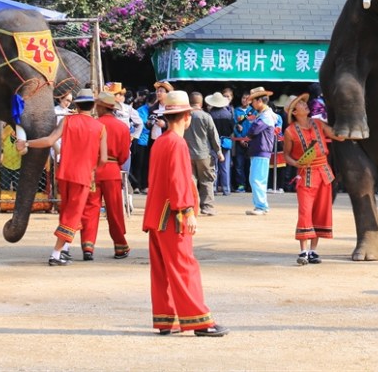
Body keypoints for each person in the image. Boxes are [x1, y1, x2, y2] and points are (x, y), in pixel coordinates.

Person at [142, 90, 228, 337]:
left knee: (162, 270)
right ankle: (199, 321)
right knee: (184, 265)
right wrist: (187, 211)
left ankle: (166, 320)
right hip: (172, 215)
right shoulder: (178, 144)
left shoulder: (160, 142)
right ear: (187, 117)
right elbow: (179, 181)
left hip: (156, 215)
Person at [27, 88, 107, 266]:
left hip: (65, 173)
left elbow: (49, 141)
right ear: (93, 106)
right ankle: (56, 253)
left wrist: (27, 143)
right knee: (73, 213)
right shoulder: (100, 127)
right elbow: (103, 158)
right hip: (84, 175)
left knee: (67, 210)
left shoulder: (67, 120)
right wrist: (94, 170)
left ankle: (64, 250)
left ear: (76, 105)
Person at [282, 94, 344, 264]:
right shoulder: (290, 131)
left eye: (304, 102)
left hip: (324, 173)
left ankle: (313, 251)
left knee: (321, 211)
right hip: (306, 174)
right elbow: (286, 155)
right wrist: (297, 163)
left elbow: (338, 135)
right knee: (305, 211)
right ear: (295, 111)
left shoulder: (318, 123)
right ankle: (303, 251)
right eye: (301, 104)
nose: (305, 104)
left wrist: (347, 125)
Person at [80, 91, 131, 261]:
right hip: (112, 170)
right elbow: (124, 155)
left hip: (93, 170)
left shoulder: (93, 125)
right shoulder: (123, 127)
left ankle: (88, 246)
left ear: (101, 107)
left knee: (90, 209)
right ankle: (120, 245)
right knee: (114, 210)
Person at [184, 92, 222, 216]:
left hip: (187, 154)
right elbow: (213, 135)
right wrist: (219, 151)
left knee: (190, 180)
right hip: (204, 154)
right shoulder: (206, 116)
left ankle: (190, 207)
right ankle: (208, 207)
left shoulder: (185, 116)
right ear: (201, 103)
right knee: (206, 180)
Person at [244, 86, 277, 215]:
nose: (252, 103)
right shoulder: (264, 114)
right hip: (260, 150)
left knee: (257, 179)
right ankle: (260, 205)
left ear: (259, 101)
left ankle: (261, 206)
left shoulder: (265, 116)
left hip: (261, 151)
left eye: (253, 101)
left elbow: (253, 131)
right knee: (257, 179)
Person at [205, 91, 234, 196]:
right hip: (225, 143)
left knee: (214, 167)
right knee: (225, 167)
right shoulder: (228, 114)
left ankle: (213, 188)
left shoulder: (210, 115)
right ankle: (226, 189)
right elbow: (232, 129)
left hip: (212, 143)